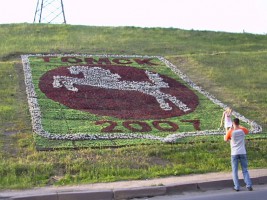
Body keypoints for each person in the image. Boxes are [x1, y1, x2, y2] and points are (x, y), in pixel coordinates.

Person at [224, 118, 253, 191]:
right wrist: (239, 126)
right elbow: (247, 131)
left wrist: (230, 129)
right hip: (242, 152)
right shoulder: (242, 130)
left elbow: (225, 139)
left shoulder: (231, 132)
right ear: (238, 123)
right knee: (245, 170)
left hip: (234, 153)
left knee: (234, 171)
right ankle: (249, 185)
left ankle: (237, 186)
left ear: (233, 123)